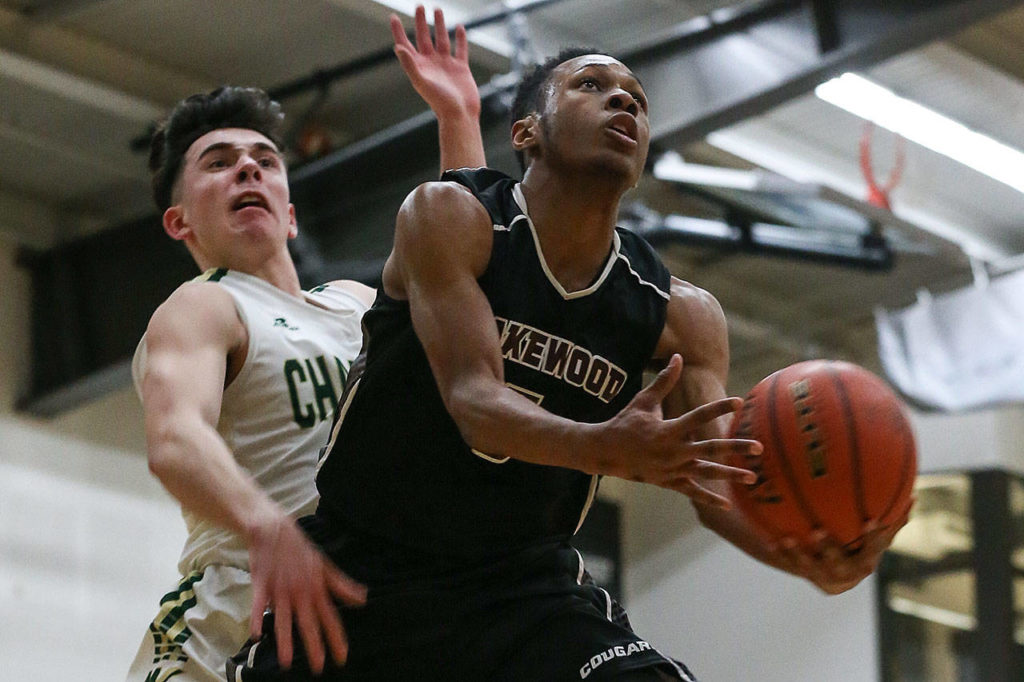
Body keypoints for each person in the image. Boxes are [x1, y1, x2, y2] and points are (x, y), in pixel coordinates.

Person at [231, 48, 910, 681]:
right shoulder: (451, 219)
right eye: (593, 87)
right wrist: (606, 448)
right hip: (364, 576)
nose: (624, 105)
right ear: (526, 133)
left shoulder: (682, 315)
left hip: (525, 590)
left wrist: (803, 555)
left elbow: (713, 485)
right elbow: (474, 403)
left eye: (637, 101)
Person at [125, 8, 486, 682]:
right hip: (236, 604)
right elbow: (175, 438)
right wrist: (269, 529)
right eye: (220, 163)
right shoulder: (205, 304)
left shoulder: (354, 303)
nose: (248, 171)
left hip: (363, 603)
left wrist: (459, 117)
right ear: (178, 220)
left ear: (291, 213)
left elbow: (459, 268)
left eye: (265, 161)